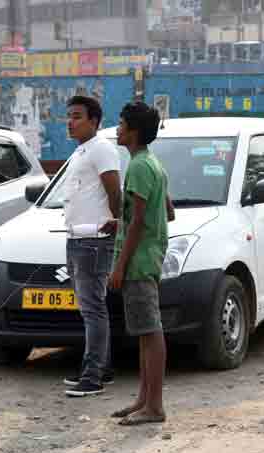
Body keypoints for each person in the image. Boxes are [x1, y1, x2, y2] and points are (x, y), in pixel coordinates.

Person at [108, 101, 168, 426]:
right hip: (148, 256)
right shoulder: (150, 163)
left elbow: (139, 221)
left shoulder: (139, 167)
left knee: (150, 330)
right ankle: (144, 400)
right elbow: (167, 210)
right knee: (145, 332)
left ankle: (154, 406)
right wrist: (120, 221)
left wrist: (120, 266)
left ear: (133, 131)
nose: (117, 129)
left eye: (121, 124)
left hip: (139, 261)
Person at [62, 95, 122, 397]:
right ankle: (101, 367)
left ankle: (93, 376)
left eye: (77, 117)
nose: (70, 122)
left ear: (94, 121)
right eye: (69, 116)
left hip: (94, 240)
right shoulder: (81, 151)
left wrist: (116, 221)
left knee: (93, 308)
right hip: (77, 238)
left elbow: (114, 190)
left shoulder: (101, 149)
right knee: (89, 308)